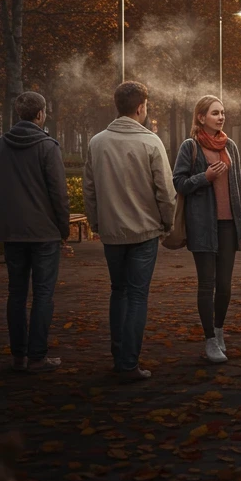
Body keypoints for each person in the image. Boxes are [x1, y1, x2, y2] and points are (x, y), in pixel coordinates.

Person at [84, 81, 176, 380]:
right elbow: (166, 191)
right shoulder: (151, 142)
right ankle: (129, 362)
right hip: (144, 231)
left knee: (118, 291)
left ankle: (118, 354)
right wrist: (167, 223)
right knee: (137, 296)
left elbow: (89, 190)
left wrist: (97, 222)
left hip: (112, 231)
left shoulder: (97, 142)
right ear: (140, 107)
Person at [0, 90, 70, 372]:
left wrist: (8, 216)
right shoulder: (48, 147)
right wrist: (63, 229)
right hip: (44, 233)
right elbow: (59, 194)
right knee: (43, 294)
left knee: (16, 293)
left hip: (12, 233)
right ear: (40, 114)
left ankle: (18, 356)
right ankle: (37, 356)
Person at [173, 95, 241, 364]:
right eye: (215, 113)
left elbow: (238, 184)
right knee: (207, 284)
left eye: (222, 112)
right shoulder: (190, 146)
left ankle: (218, 331)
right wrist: (205, 177)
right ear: (201, 117)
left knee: (224, 285)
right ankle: (209, 340)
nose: (221, 117)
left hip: (229, 225)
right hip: (203, 224)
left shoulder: (230, 146)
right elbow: (179, 183)